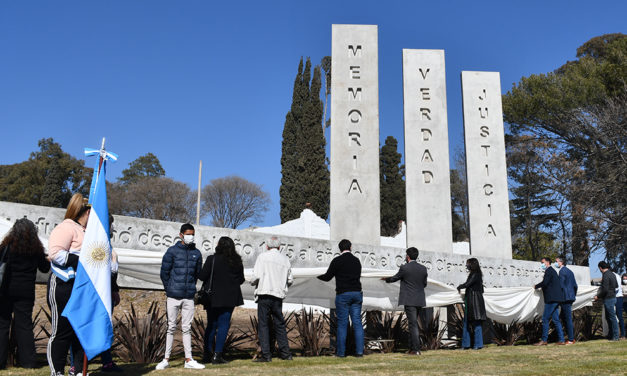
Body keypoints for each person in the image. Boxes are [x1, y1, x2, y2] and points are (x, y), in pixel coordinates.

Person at [47, 193, 90, 376]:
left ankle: (79, 370)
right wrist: (83, 260)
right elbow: (55, 254)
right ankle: (57, 371)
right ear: (87, 212)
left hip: (83, 288)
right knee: (62, 331)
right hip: (64, 285)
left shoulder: (88, 232)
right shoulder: (66, 227)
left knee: (80, 332)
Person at [0, 219, 50, 369]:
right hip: (26, 292)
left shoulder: (7, 247)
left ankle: (1, 362)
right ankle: (28, 362)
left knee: (2, 325)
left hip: (6, 290)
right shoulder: (36, 249)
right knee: (24, 326)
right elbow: (45, 268)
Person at [155, 223, 204, 370]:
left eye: (193, 234)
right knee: (171, 327)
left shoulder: (197, 253)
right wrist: (169, 288)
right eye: (188, 234)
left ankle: (188, 359)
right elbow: (164, 273)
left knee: (187, 328)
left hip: (188, 295)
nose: (191, 236)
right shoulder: (172, 251)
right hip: (173, 295)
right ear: (181, 235)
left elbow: (197, 274)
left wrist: (191, 288)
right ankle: (166, 359)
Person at [199, 236, 244, 365]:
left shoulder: (212, 259)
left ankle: (207, 354)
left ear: (219, 245)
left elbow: (202, 276)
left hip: (212, 297)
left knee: (211, 325)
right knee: (224, 325)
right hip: (230, 297)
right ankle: (217, 356)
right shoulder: (237, 261)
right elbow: (241, 279)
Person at [317, 239, 364, 358]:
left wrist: (317, 277)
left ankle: (341, 353)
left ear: (339, 249)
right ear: (351, 247)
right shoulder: (357, 261)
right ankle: (359, 352)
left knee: (342, 324)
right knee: (357, 323)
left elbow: (328, 277)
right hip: (357, 293)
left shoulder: (337, 261)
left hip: (343, 294)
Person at [250, 236, 294, 362]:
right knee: (280, 324)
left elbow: (256, 276)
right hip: (278, 295)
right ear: (279, 247)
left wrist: (251, 282)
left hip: (264, 293)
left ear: (267, 246)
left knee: (263, 325)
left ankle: (266, 355)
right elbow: (290, 279)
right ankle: (286, 354)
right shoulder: (285, 259)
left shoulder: (262, 257)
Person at [381, 247, 426, 355]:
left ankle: (416, 350)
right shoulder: (423, 268)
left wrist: (385, 279)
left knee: (413, 324)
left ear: (407, 256)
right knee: (414, 324)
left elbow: (394, 278)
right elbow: (424, 284)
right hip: (419, 300)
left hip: (409, 300)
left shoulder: (405, 268)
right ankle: (412, 348)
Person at [533, 257, 565, 346]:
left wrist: (535, 286)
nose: (541, 264)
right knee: (556, 320)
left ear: (547, 262)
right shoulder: (553, 271)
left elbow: (545, 283)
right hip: (556, 299)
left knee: (545, 319)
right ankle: (561, 339)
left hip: (551, 299)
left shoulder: (549, 271)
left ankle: (544, 340)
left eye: (542, 262)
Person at [457, 258, 487, 350]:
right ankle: (466, 344)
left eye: (468, 264)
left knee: (476, 324)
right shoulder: (475, 274)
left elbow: (467, 284)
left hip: (475, 303)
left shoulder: (475, 274)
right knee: (466, 323)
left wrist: (459, 286)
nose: (467, 266)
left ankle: (478, 344)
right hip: (470, 301)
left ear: (472, 264)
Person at [593, 261, 619, 341]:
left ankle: (615, 336)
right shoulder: (612, 274)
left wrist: (598, 296)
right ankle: (611, 334)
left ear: (600, 268)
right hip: (613, 297)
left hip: (608, 298)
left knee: (611, 317)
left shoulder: (606, 275)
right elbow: (616, 285)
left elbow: (605, 289)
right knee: (609, 317)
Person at [556, 256, 578, 345]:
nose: (556, 263)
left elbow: (561, 286)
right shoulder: (570, 271)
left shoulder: (561, 271)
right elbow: (575, 286)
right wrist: (572, 295)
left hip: (564, 298)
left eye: (556, 261)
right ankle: (569, 337)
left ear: (561, 262)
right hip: (570, 297)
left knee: (567, 319)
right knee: (564, 318)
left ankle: (571, 339)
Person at [612, 271, 625, 339]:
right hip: (617, 297)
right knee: (618, 316)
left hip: (617, 297)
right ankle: (621, 333)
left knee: (619, 316)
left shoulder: (614, 276)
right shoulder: (616, 275)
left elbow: (616, 288)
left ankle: (622, 334)